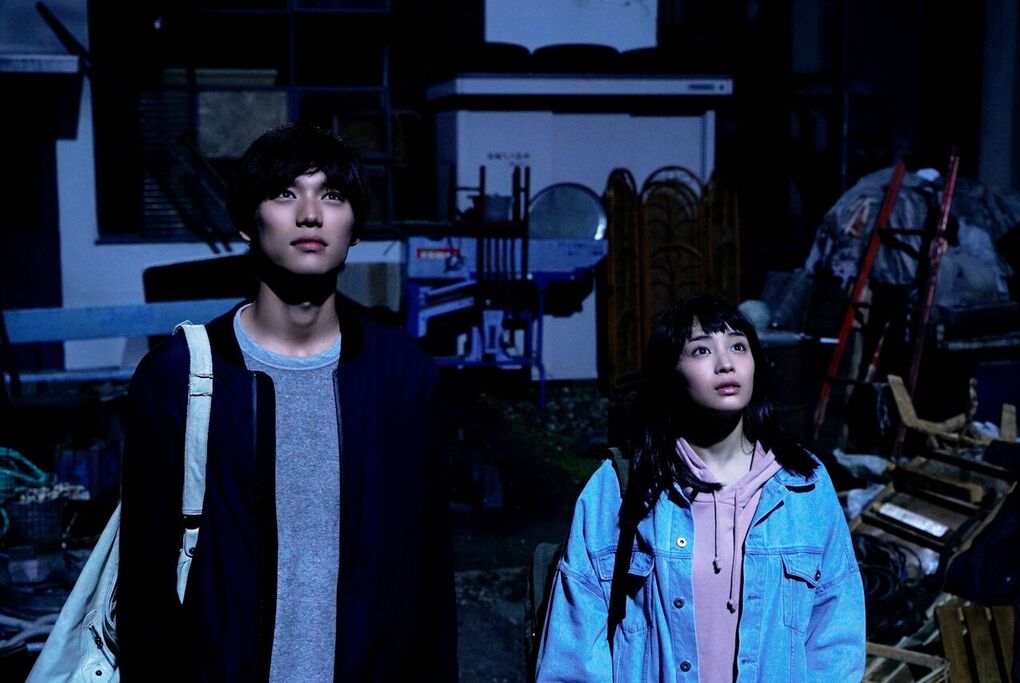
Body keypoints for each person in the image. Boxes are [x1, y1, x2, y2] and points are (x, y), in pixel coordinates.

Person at [118, 122, 457, 681]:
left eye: (333, 195)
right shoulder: (177, 376)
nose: (310, 214)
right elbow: (144, 583)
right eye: (284, 193)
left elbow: (429, 578)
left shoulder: (403, 377)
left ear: (354, 228)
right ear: (247, 222)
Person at [535, 294, 865, 681]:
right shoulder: (621, 487)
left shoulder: (804, 485)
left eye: (738, 346)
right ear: (670, 373)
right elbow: (573, 652)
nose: (726, 363)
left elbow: (836, 635)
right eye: (701, 350)